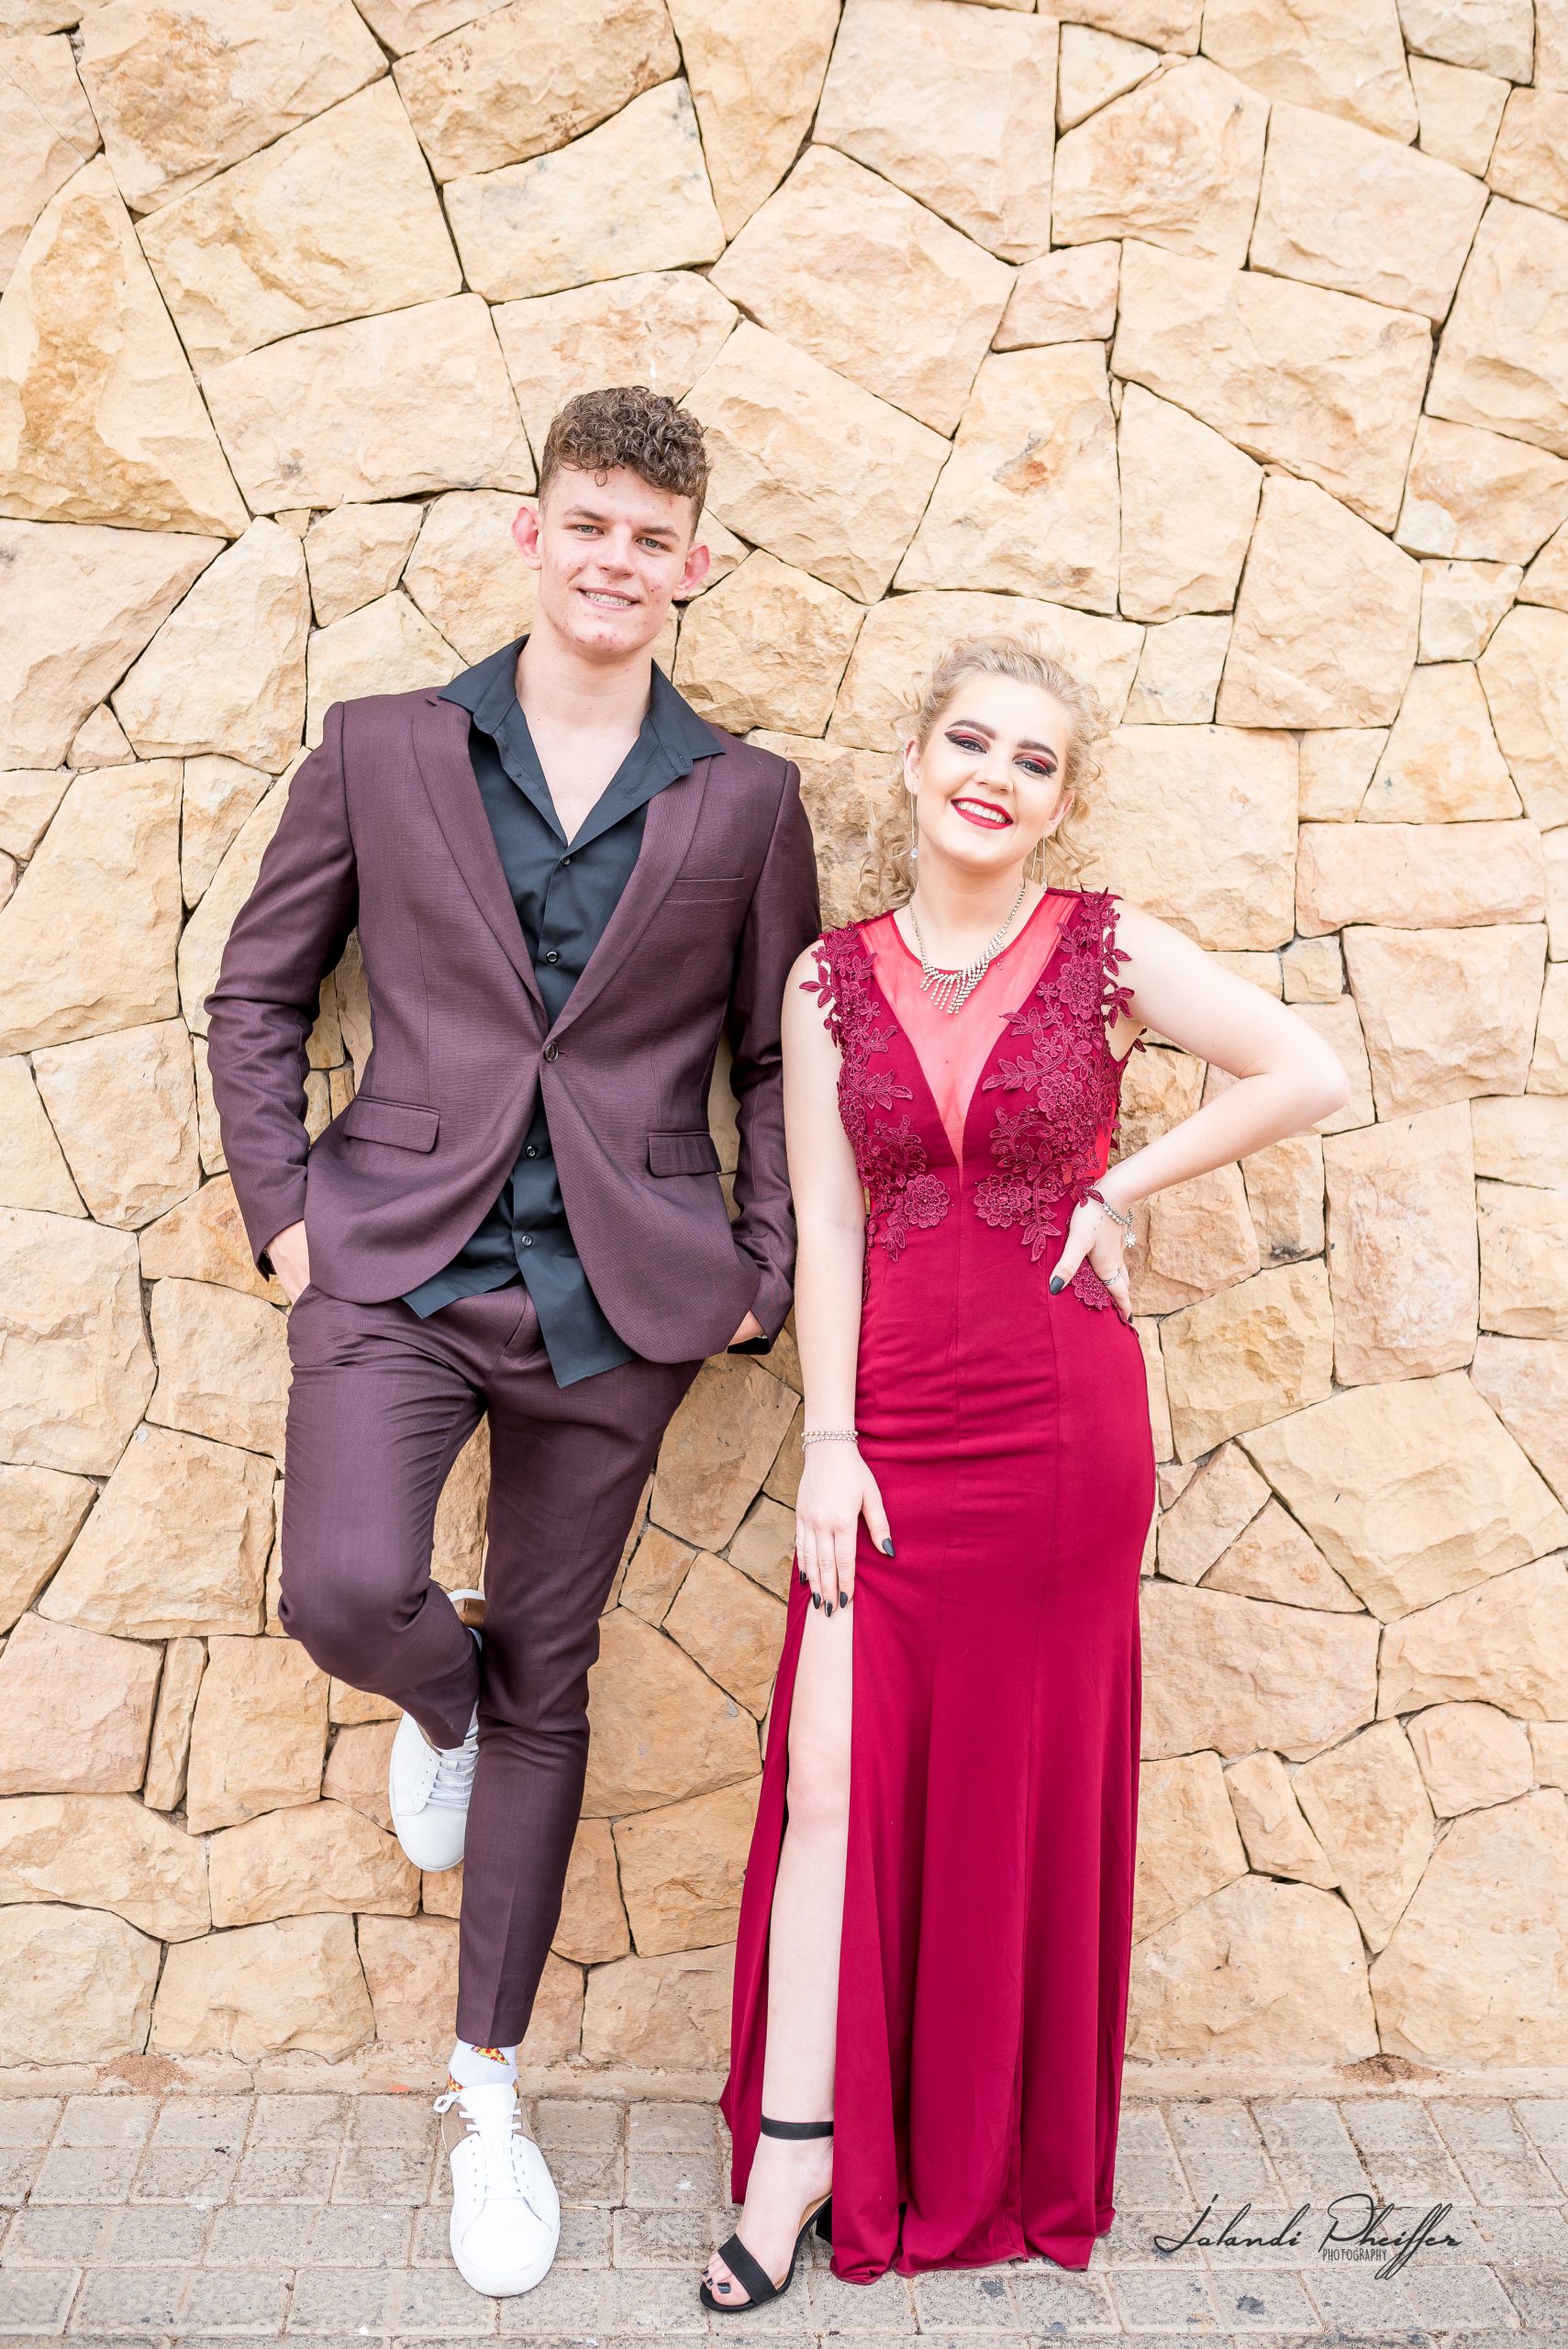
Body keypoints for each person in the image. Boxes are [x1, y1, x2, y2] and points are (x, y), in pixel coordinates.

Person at [205, 386, 819, 2300]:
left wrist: (762, 1267)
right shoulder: (383, 745)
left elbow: (778, 1054)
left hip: (620, 1301)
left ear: (694, 566)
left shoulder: (745, 798)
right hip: (391, 1262)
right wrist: (287, 1216)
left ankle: (488, 2091)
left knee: (561, 1677)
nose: (617, 559)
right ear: (532, 533)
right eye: (590, 522)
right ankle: (441, 1693)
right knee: (345, 1588)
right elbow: (258, 990)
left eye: (654, 536)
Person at [700, 633, 1349, 2311]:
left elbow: (1305, 1069)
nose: (993, 776)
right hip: (891, 1423)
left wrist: (1118, 1189)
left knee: (1013, 1782)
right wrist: (826, 1446)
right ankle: (798, 2151)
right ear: (914, 763)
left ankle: (972, 2138)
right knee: (831, 1778)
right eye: (971, 743)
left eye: (1033, 760)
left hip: (1060, 1424)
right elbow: (827, 1221)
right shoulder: (828, 979)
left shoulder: (1106, 948)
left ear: (1060, 804)